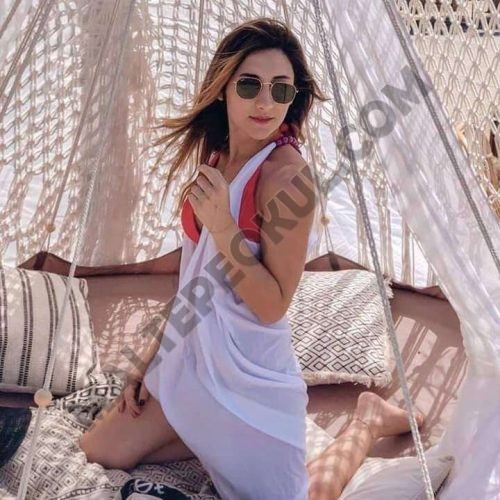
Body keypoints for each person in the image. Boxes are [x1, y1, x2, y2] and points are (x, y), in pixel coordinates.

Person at [79, 17, 425, 500]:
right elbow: (196, 274)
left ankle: (365, 423)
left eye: (280, 89)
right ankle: (203, 434)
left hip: (247, 378)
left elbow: (272, 305)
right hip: (190, 359)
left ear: (293, 98)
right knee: (98, 451)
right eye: (249, 85)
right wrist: (152, 353)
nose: (265, 102)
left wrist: (223, 225)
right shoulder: (218, 154)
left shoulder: (288, 180)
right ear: (223, 89)